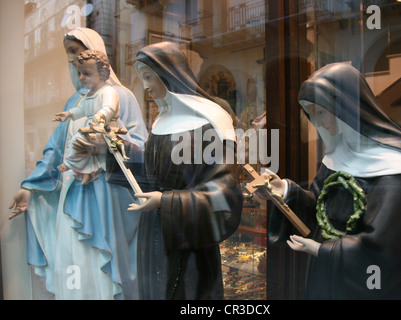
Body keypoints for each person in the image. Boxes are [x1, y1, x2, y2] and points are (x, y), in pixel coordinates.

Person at [260, 63, 401, 299]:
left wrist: (321, 250)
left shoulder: (396, 167)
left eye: (321, 112)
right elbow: (319, 206)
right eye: (311, 113)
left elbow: (384, 246)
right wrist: (284, 190)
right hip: (323, 277)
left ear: (347, 109)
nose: (318, 122)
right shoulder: (337, 156)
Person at [8, 28, 148, 300]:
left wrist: (104, 147)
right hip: (72, 192)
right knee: (74, 260)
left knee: (102, 262)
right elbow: (55, 150)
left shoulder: (121, 96)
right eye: (69, 53)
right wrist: (31, 186)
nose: (73, 59)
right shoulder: (75, 101)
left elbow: (141, 150)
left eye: (76, 50)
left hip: (106, 195)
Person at [123, 42, 243, 300]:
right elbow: (157, 171)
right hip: (154, 233)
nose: (145, 86)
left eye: (148, 77)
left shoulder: (211, 120)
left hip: (190, 244)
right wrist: (116, 149)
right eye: (141, 78)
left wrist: (165, 202)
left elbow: (224, 194)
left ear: (168, 74)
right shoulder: (161, 120)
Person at [53, 50, 122, 185]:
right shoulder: (89, 94)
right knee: (81, 144)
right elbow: (81, 109)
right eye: (79, 73)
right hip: (93, 127)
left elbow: (109, 108)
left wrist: (99, 117)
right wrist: (68, 114)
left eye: (87, 74)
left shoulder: (108, 91)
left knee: (77, 141)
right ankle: (85, 172)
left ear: (102, 74)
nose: (81, 77)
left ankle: (68, 164)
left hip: (104, 128)